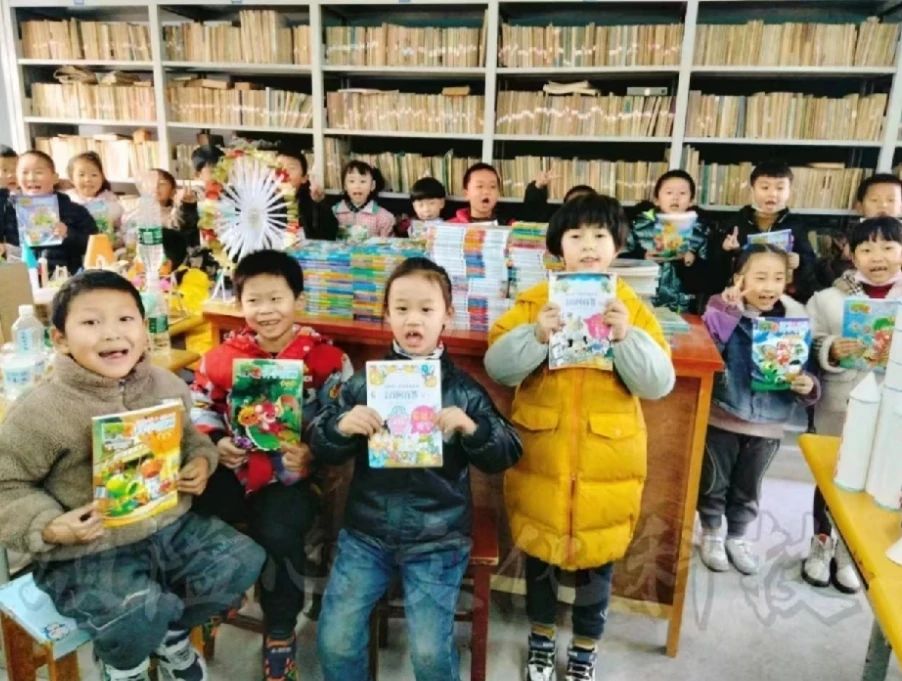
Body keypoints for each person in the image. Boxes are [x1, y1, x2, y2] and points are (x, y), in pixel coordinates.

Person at [0, 270, 265, 681]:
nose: (111, 333)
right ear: (60, 339)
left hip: (169, 528)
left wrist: (200, 462)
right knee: (134, 614)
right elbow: (7, 483)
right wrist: (50, 526)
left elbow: (191, 439)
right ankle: (124, 665)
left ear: (144, 328)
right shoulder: (40, 411)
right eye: (91, 322)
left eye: (125, 319)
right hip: (86, 551)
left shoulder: (166, 385)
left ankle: (170, 635)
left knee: (243, 562)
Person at [485, 194, 675, 681]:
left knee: (599, 562)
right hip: (541, 457)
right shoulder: (534, 302)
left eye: (599, 235)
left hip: (607, 461)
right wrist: (535, 335)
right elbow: (499, 367)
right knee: (539, 557)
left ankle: (586, 647)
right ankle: (541, 639)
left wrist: (626, 337)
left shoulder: (632, 307)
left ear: (617, 246)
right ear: (557, 246)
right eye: (575, 235)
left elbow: (658, 383)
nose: (588, 245)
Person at [312, 257, 522, 681]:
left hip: (438, 537)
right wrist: (340, 426)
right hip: (366, 532)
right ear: (386, 315)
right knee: (335, 639)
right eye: (402, 308)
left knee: (429, 654)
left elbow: (507, 451)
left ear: (447, 316)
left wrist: (473, 428)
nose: (414, 319)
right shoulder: (364, 384)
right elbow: (320, 439)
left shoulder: (462, 390)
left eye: (426, 309)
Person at [191, 249, 352, 681]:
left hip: (293, 478)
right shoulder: (222, 357)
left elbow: (343, 421)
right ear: (239, 304)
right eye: (254, 301)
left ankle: (280, 629)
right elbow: (200, 406)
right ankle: (222, 590)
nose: (266, 311)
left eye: (276, 299)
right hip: (234, 469)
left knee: (279, 531)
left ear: (297, 298)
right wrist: (218, 442)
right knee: (193, 505)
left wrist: (314, 452)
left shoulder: (326, 359)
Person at [698, 244, 820, 576]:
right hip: (724, 414)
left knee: (749, 486)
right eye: (760, 277)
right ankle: (711, 532)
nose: (769, 287)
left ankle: (737, 537)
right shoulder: (721, 309)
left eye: (778, 278)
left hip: (769, 423)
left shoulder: (794, 320)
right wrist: (727, 311)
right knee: (714, 481)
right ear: (739, 278)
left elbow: (806, 370)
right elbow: (709, 348)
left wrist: (807, 385)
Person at [802, 216, 902, 594]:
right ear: (852, 254)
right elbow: (807, 341)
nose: (878, 257)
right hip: (841, 400)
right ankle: (821, 542)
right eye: (867, 248)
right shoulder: (828, 299)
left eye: (888, 247)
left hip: (893, 407)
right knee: (833, 473)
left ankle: (849, 551)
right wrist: (831, 348)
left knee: (880, 476)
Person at [708, 161, 817, 302]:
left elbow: (811, 264)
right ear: (752, 189)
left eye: (780, 188)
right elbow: (714, 266)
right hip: (742, 297)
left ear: (789, 191)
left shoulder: (796, 225)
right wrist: (727, 250)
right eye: (765, 187)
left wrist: (800, 261)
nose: (772, 194)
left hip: (780, 297)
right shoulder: (736, 223)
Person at [622, 169, 713, 313]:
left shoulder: (701, 231)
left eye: (682, 193)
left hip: (683, 306)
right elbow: (621, 261)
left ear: (691, 200)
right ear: (657, 199)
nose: (675, 198)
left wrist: (690, 261)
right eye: (669, 192)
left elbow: (709, 280)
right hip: (642, 302)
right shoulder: (638, 225)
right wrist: (643, 257)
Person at [0, 149, 96, 272]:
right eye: (25, 172)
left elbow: (94, 245)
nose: (31, 178)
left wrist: (68, 234)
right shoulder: (7, 210)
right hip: (21, 278)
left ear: (55, 178)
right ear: (18, 179)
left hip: (65, 278)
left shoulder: (75, 211)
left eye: (38, 172)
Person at [276, 145, 337, 240]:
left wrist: (320, 203)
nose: (284, 172)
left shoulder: (310, 201)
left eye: (291, 168)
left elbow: (330, 234)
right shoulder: (263, 201)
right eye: (279, 167)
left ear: (304, 178)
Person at [65, 151, 124, 246]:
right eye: (81, 175)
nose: (88, 179)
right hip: (78, 248)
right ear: (71, 179)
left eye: (94, 175)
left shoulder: (109, 199)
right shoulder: (68, 200)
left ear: (102, 178)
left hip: (106, 246)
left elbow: (121, 224)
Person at [331, 159, 395, 241]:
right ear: (345, 186)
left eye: (363, 181)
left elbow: (388, 245)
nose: (357, 186)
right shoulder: (334, 213)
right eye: (352, 181)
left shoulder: (383, 217)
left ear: (372, 185)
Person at [176, 144, 225, 248]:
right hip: (200, 250)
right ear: (197, 175)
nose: (219, 175)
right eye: (213, 171)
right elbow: (183, 230)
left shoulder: (232, 195)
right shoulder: (190, 196)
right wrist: (188, 207)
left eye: (222, 170)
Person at [447, 162, 512, 224]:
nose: (486, 191)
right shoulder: (449, 227)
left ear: (498, 193)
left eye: (492, 186)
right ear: (466, 194)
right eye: (480, 186)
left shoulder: (511, 227)